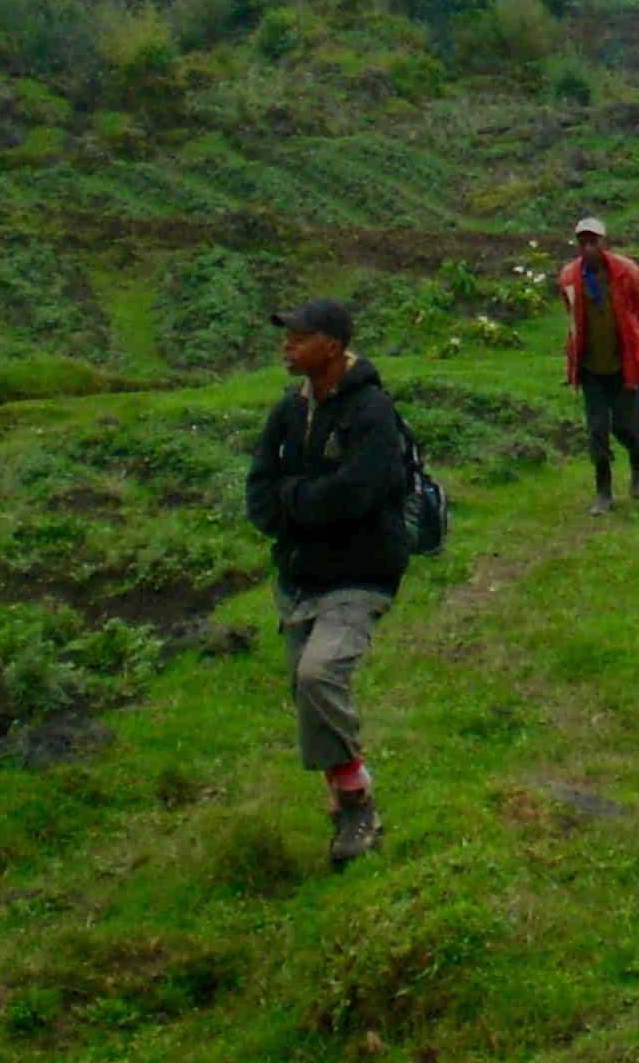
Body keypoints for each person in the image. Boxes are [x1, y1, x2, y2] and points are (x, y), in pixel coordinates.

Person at [245, 295, 411, 867]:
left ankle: (359, 801)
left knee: (319, 675)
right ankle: (344, 810)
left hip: (361, 574)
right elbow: (259, 490)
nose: (287, 345)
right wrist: (297, 504)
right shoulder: (287, 413)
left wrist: (294, 500)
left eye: (300, 335)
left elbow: (357, 493)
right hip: (300, 579)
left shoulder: (372, 413)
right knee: (306, 692)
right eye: (286, 334)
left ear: (333, 347)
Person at [560, 214, 639, 514]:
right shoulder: (570, 278)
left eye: (593, 241)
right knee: (597, 431)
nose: (588, 247)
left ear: (603, 242)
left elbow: (637, 306)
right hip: (591, 369)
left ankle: (637, 467)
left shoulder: (627, 272)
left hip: (623, 365)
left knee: (628, 428)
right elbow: (571, 315)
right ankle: (604, 492)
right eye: (582, 242)